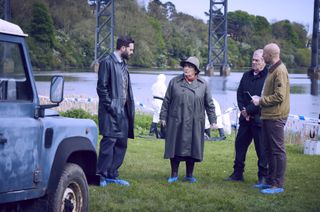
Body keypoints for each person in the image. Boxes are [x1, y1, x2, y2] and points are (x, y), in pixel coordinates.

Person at [159, 56, 217, 183]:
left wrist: (213, 120)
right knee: (175, 147)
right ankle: (174, 174)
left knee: (193, 149)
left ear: (195, 70)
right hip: (177, 121)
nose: (186, 68)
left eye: (189, 66)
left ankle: (189, 175)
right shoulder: (174, 82)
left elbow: (209, 104)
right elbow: (166, 101)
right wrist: (163, 117)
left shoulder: (203, 85)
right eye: (185, 66)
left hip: (195, 122)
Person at [225, 49, 268, 186]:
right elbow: (239, 94)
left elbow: (264, 99)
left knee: (261, 150)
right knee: (240, 146)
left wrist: (248, 111)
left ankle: (263, 177)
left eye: (257, 60)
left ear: (264, 61)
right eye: (253, 59)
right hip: (245, 120)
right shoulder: (246, 75)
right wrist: (243, 110)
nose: (254, 62)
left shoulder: (268, 77)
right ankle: (237, 174)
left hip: (259, 120)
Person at [96, 36, 135, 187]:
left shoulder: (123, 64)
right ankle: (101, 176)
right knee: (109, 144)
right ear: (123, 48)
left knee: (121, 143)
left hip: (123, 112)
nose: (132, 52)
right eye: (130, 49)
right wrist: (111, 107)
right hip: (111, 112)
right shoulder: (107, 63)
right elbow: (101, 88)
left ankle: (112, 174)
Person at [252, 43, 290, 194]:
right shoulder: (272, 69)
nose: (262, 57)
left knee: (277, 151)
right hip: (268, 115)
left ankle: (278, 185)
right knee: (268, 150)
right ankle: (269, 181)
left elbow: (280, 96)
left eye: (264, 55)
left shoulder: (280, 71)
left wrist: (260, 101)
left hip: (276, 116)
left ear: (269, 55)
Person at [149, 74, 167, 138]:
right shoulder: (162, 85)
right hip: (160, 101)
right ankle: (163, 133)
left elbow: (151, 92)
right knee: (162, 116)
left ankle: (152, 131)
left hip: (154, 101)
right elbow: (165, 95)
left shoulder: (154, 84)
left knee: (155, 116)